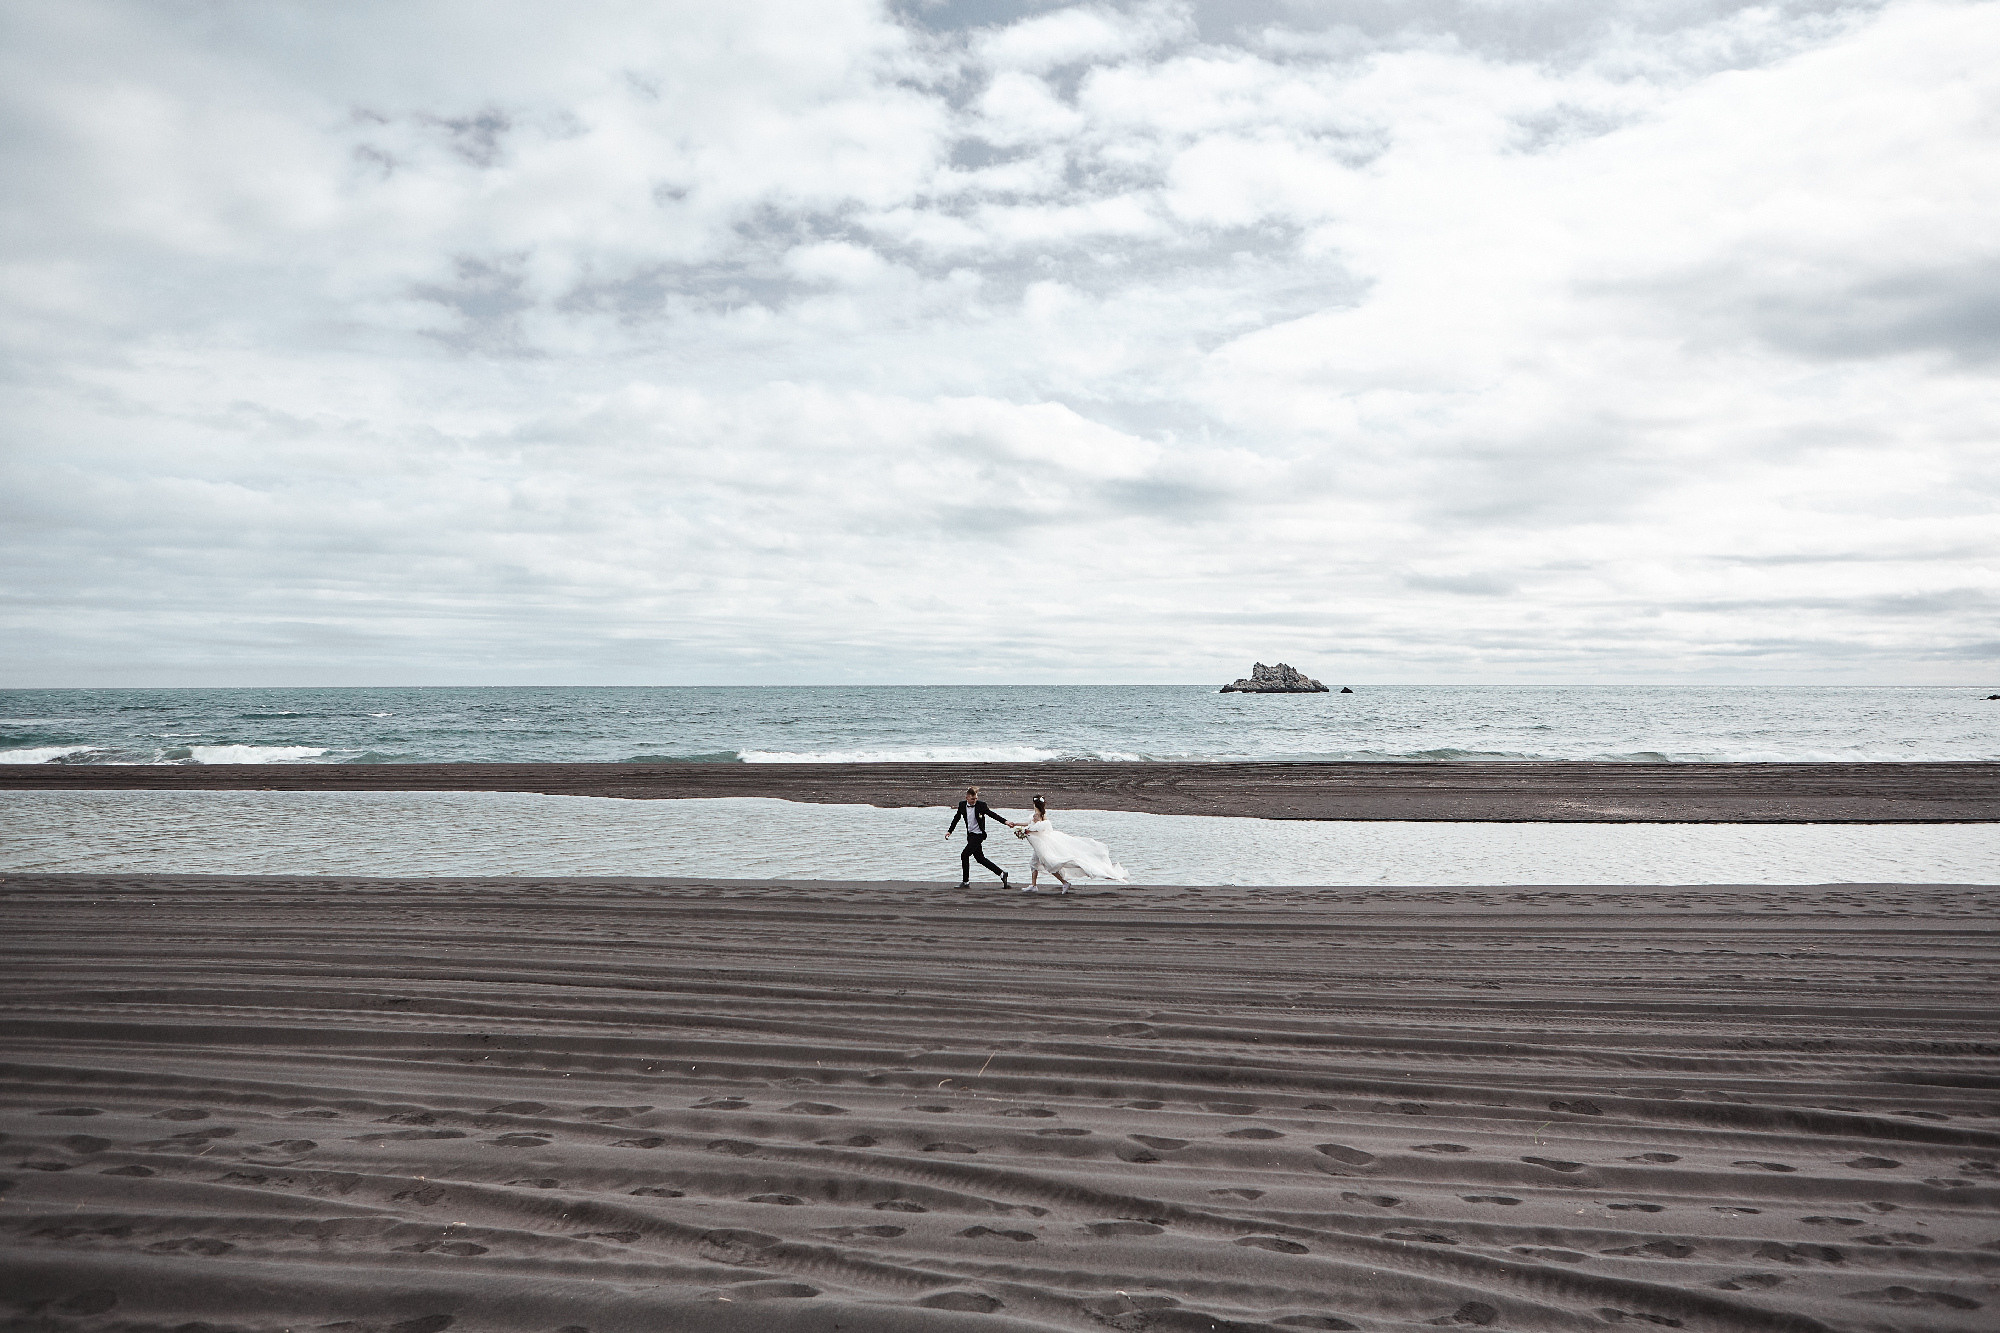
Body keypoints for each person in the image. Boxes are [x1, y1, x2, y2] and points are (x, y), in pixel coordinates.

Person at [1013, 795, 1127, 894]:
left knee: (1050, 864)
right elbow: (1029, 824)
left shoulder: (1037, 816)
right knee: (1034, 863)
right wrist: (1016, 824)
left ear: (1035, 804)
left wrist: (1025, 831)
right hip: (1040, 844)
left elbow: (1037, 829)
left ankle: (1064, 883)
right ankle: (1034, 886)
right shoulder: (1040, 814)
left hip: (1043, 844)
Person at [945, 785, 1014, 889]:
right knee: (980, 858)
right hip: (970, 835)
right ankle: (1001, 873)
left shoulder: (981, 805)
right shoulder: (962, 805)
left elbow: (992, 814)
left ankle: (965, 882)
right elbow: (956, 818)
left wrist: (1006, 822)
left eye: (976, 798)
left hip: (979, 835)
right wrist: (950, 831)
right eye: (972, 799)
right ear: (967, 797)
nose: (974, 801)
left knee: (964, 855)